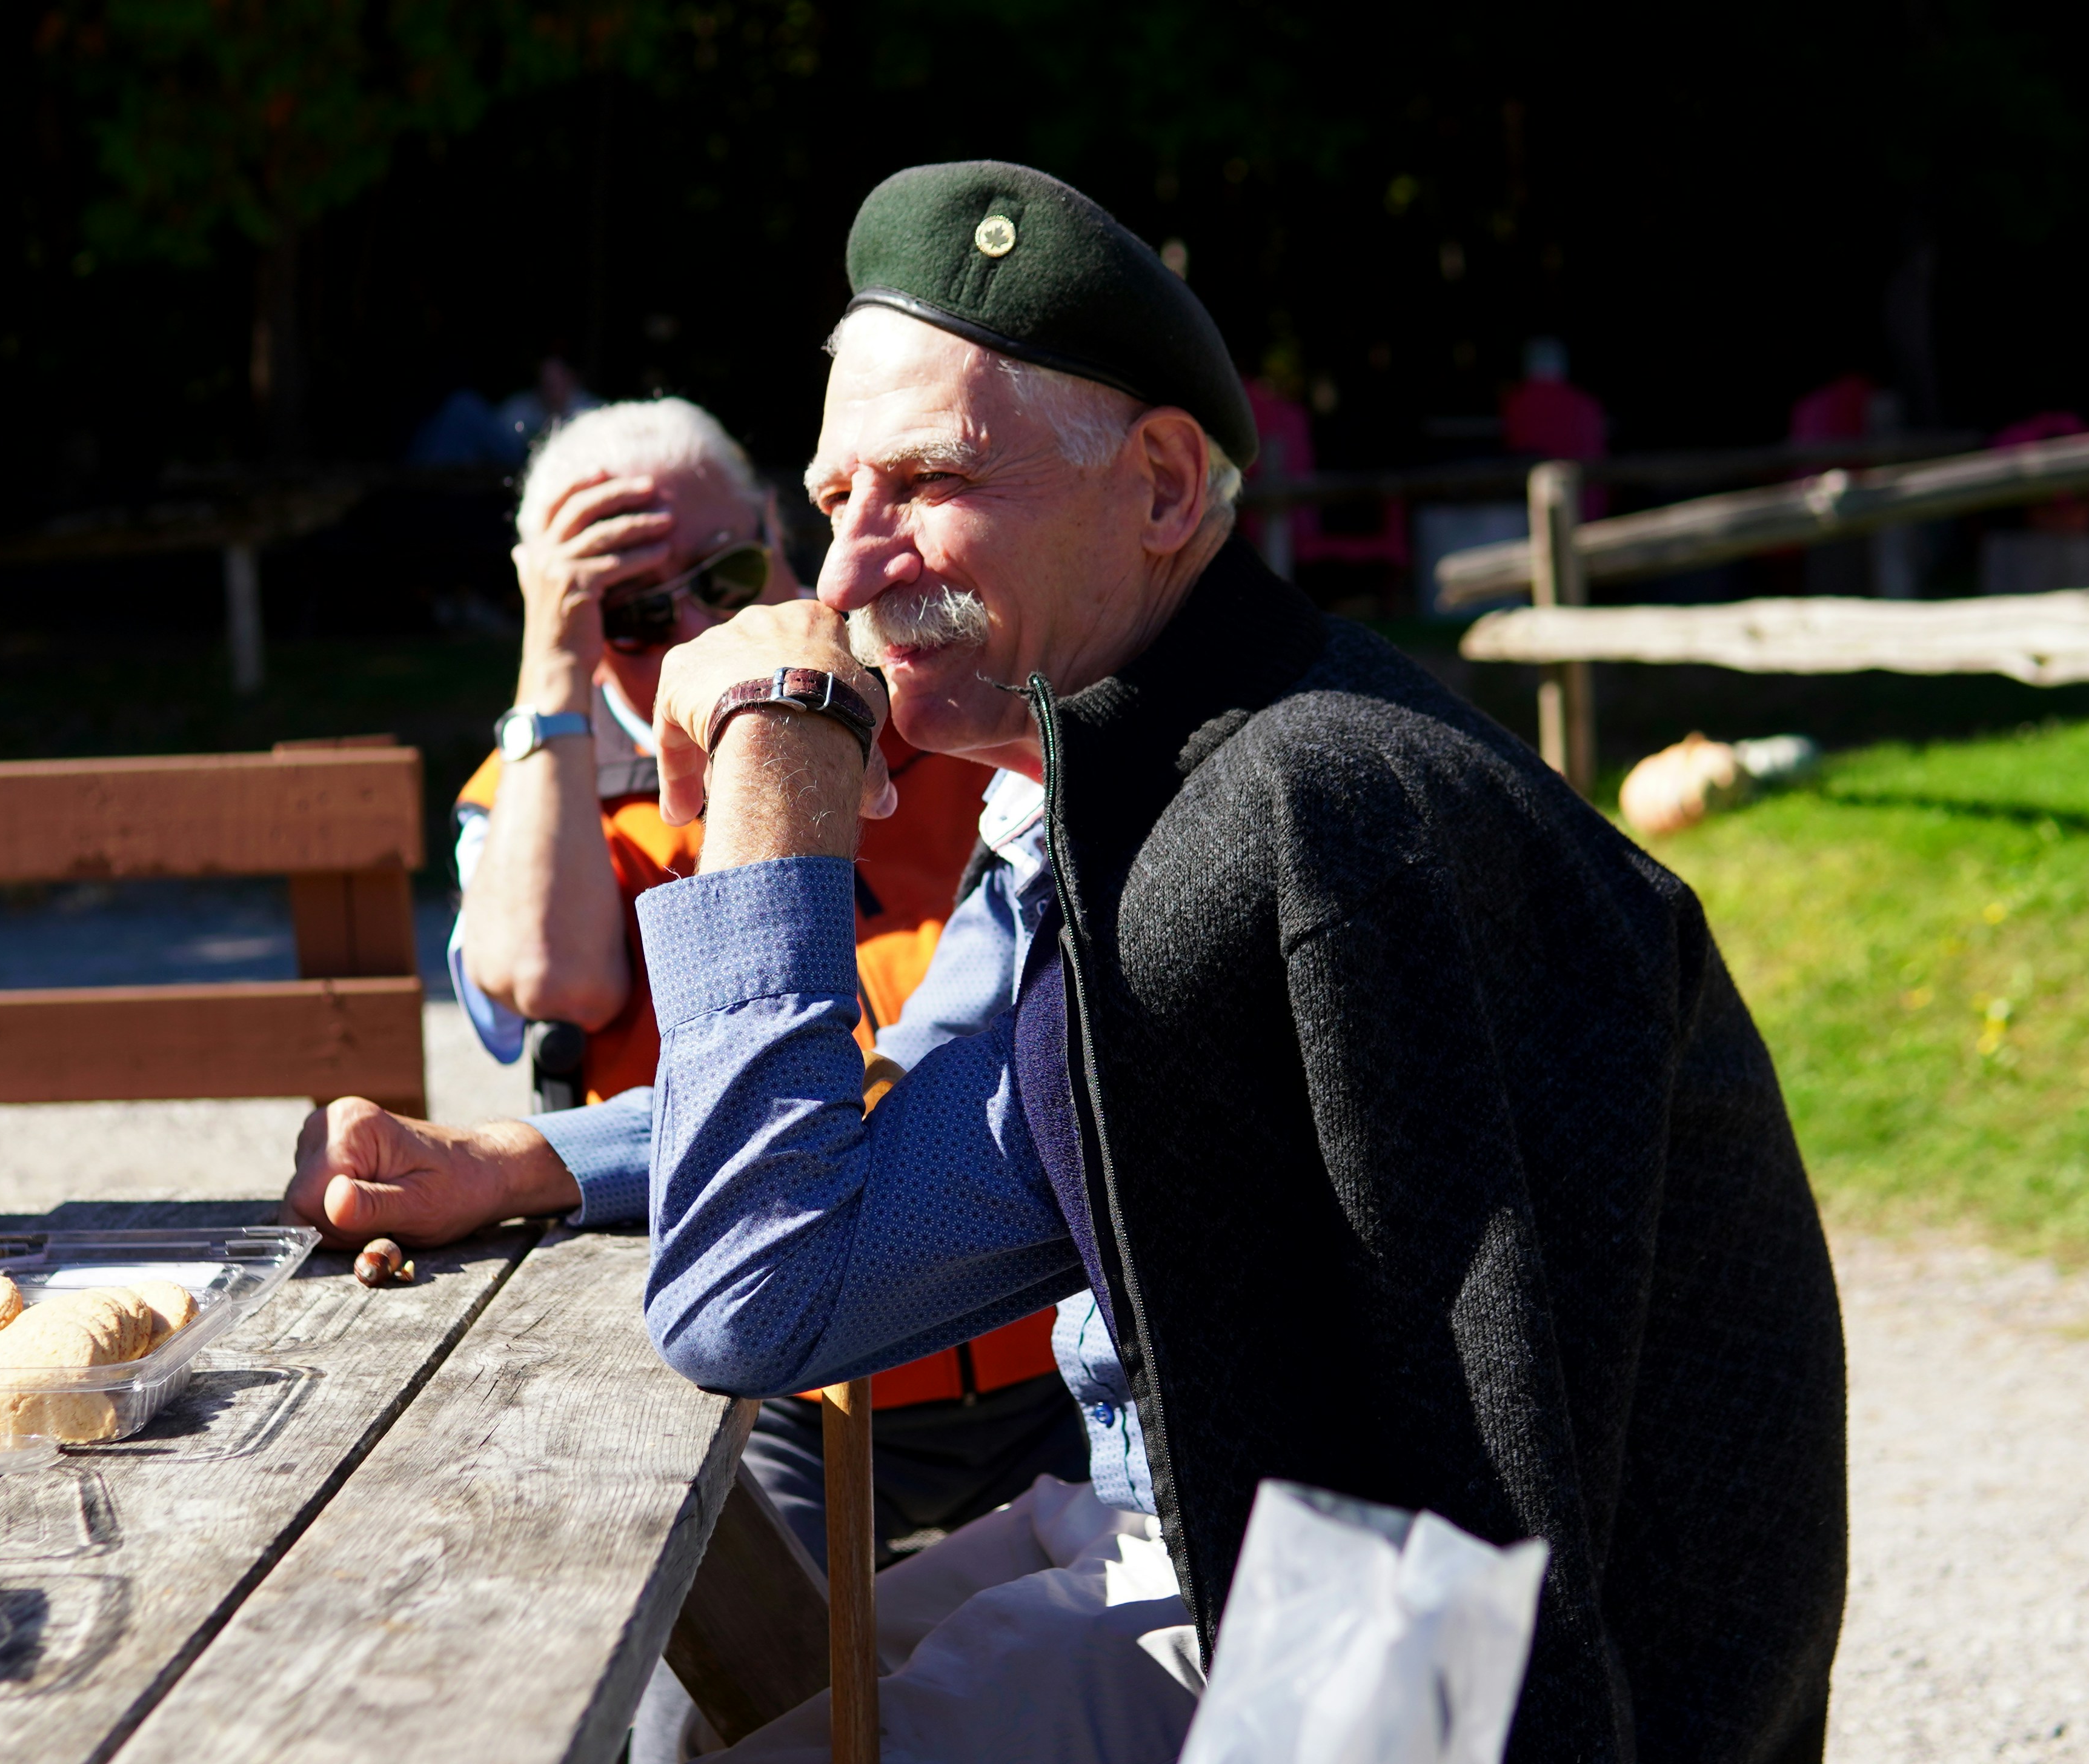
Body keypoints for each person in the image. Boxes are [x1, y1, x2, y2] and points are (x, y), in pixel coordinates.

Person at [614, 163, 1845, 1763]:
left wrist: (780, 779)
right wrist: (551, 1162)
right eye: (836, 499)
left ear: (1165, 488)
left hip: (1353, 1667)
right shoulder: (1168, 776)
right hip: (1204, 1558)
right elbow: (940, 1143)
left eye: (925, 482)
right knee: (673, 1701)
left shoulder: (1297, 825)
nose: (842, 577)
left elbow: (761, 1292)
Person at [290, 397, 1083, 1570]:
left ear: (778, 526)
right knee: (732, 1693)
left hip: (1035, 1330)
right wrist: (552, 676)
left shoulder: (931, 712)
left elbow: (938, 1054)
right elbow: (548, 980)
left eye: (728, 571)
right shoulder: (553, 782)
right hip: (780, 1388)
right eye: (636, 609)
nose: (699, 622)